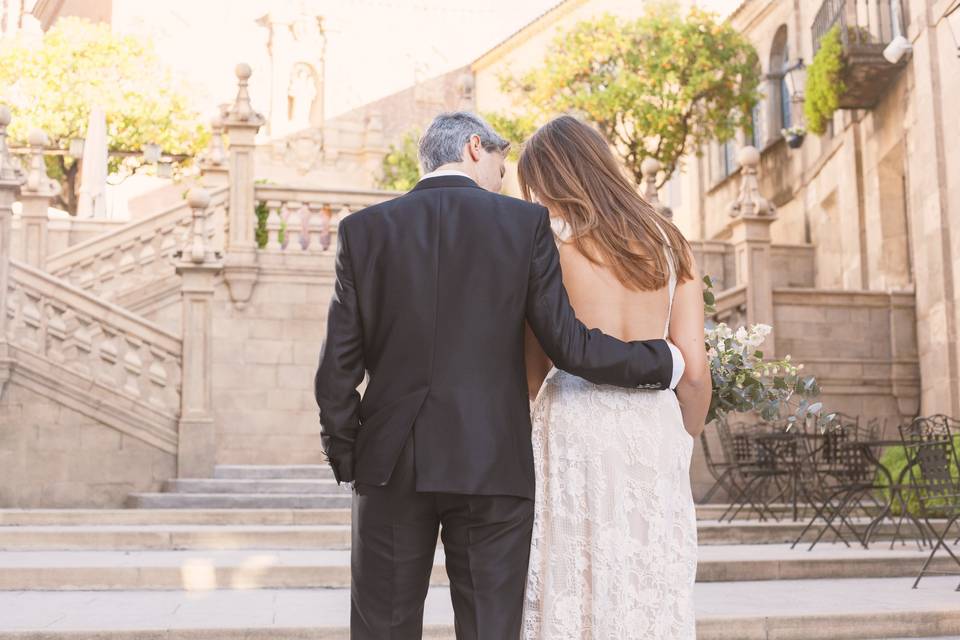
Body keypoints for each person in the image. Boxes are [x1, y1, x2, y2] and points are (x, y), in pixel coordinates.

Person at [313, 111, 685, 639]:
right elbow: (570, 345)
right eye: (501, 164)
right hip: (492, 462)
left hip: (389, 464)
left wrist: (348, 452)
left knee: (383, 629)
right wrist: (661, 361)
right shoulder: (523, 226)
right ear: (473, 147)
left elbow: (336, 369)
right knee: (491, 630)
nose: (503, 179)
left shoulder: (364, 230)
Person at [518, 115, 711, 639]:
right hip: (652, 429)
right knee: (648, 580)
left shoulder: (549, 244)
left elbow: (532, 374)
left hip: (572, 428)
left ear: (550, 179)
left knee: (574, 580)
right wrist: (679, 439)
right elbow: (694, 373)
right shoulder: (670, 242)